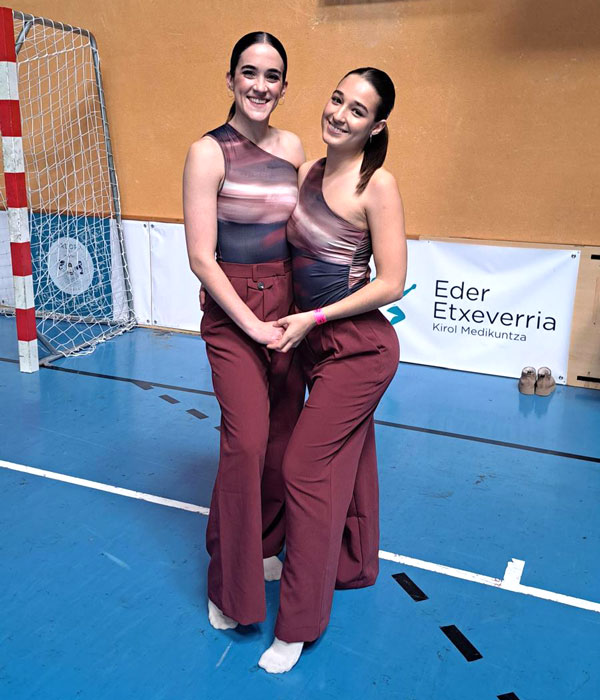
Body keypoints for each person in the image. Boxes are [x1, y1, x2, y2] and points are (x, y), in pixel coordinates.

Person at [258, 67, 407, 673]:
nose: (340, 114)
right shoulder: (306, 174)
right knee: (345, 453)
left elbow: (391, 282)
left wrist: (315, 317)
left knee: (306, 468)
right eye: (337, 99)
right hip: (308, 342)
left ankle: (298, 623)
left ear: (377, 127)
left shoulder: (378, 185)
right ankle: (352, 563)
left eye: (357, 110)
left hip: (359, 349)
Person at [182, 32, 305, 631]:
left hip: (288, 301)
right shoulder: (208, 152)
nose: (260, 85)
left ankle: (263, 545)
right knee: (247, 442)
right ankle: (229, 585)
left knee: (282, 439)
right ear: (230, 79)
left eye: (272, 75)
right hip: (235, 310)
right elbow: (200, 257)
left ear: (284, 86)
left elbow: (305, 231)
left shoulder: (294, 146)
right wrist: (252, 323)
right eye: (249, 72)